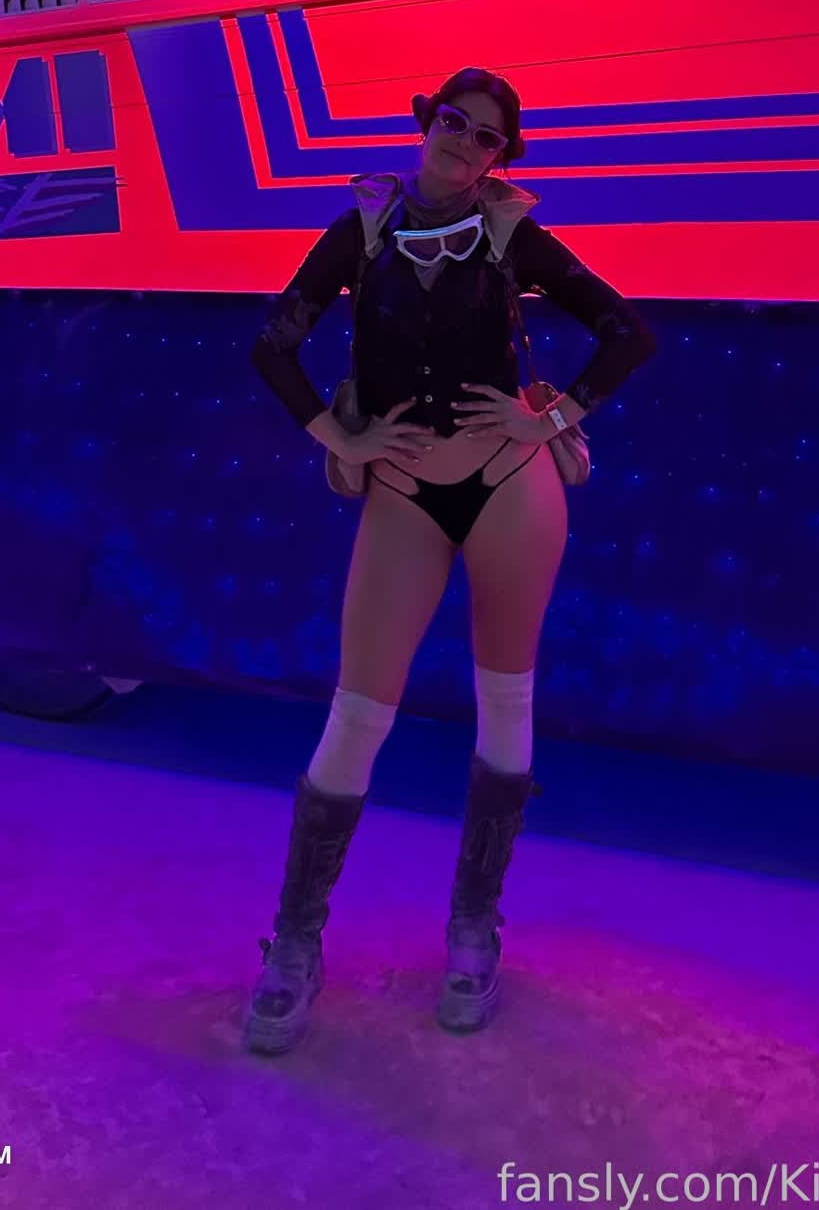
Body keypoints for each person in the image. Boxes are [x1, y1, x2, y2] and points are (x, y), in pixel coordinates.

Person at [242, 67, 658, 1053]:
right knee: (356, 715)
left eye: (486, 137)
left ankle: (474, 928)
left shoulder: (509, 234)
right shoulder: (366, 229)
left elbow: (626, 332)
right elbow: (271, 346)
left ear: (498, 157)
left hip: (511, 485)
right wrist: (337, 436)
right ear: (426, 120)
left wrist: (548, 416)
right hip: (402, 493)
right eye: (454, 122)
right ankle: (295, 943)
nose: (464, 142)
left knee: (504, 701)